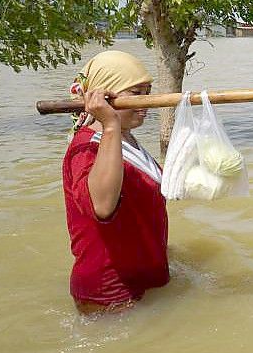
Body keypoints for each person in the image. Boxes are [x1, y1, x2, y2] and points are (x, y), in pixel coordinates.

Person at [62, 50, 169, 314]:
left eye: (149, 91)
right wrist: (109, 123)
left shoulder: (127, 138)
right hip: (110, 295)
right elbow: (102, 206)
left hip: (144, 281)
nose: (147, 101)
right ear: (106, 98)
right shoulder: (86, 147)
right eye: (136, 92)